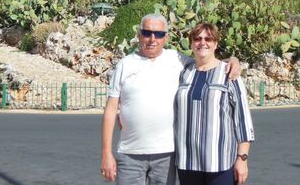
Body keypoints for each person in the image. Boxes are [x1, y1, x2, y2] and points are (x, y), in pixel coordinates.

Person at [101, 14, 240, 185]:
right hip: (130, 153)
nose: (152, 39)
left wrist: (232, 61)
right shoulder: (125, 64)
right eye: (147, 33)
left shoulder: (176, 59)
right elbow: (110, 108)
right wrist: (106, 153)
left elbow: (206, 60)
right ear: (139, 35)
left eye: (159, 34)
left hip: (166, 155)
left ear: (166, 37)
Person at [175, 22, 255, 185]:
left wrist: (242, 159)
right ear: (191, 43)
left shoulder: (229, 74)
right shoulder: (184, 73)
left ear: (216, 43)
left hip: (220, 162)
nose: (202, 42)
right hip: (187, 161)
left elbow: (242, 120)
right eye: (197, 38)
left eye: (208, 39)